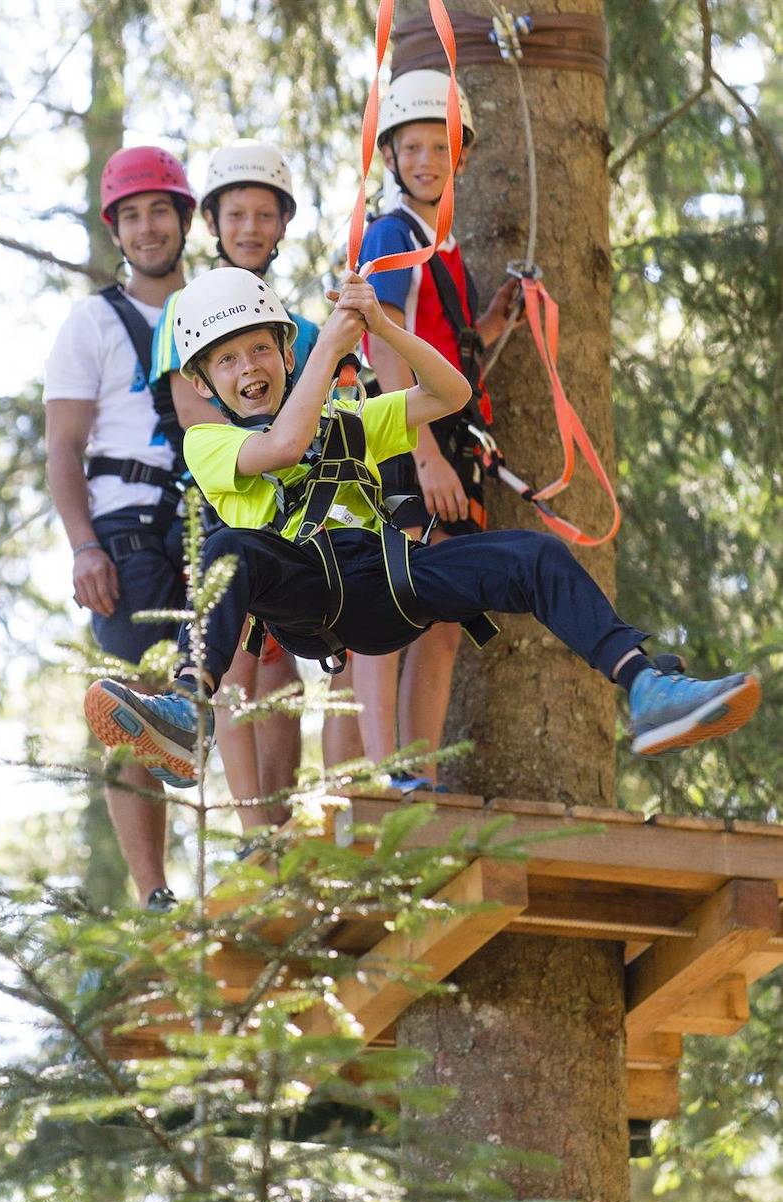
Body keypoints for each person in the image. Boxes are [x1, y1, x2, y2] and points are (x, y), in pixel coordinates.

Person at [82, 267, 761, 791]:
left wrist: (382, 326)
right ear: (204, 382)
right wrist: (334, 351)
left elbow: (449, 395)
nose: (248, 369)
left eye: (260, 350)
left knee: (534, 555)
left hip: (389, 584)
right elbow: (284, 447)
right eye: (226, 362)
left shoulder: (349, 420)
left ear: (284, 355)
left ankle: (644, 684)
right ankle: (186, 709)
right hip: (306, 591)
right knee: (231, 549)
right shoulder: (209, 444)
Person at [151, 140, 359, 832]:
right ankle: (251, 831)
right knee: (237, 664)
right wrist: (270, 451)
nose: (249, 229)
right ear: (212, 222)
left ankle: (292, 824)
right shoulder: (182, 312)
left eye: (263, 215)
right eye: (236, 214)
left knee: (283, 675)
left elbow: (321, 416)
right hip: (224, 501)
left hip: (296, 504)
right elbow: (192, 416)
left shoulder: (293, 325)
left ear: (282, 225)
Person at [354, 69, 523, 792]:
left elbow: (446, 352)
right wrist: (422, 455)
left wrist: (496, 324)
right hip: (408, 443)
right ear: (390, 157)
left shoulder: (443, 248)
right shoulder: (393, 235)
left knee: (444, 613)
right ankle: (385, 765)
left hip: (450, 442)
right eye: (412, 147)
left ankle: (415, 772)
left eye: (440, 147)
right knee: (390, 597)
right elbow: (384, 340)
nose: (426, 161)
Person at [45, 145, 195, 912]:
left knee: (243, 681)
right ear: (116, 230)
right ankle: (154, 892)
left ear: (183, 219)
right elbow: (64, 448)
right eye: (131, 216)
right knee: (133, 706)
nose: (146, 228)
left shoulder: (217, 306)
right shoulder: (92, 324)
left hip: (210, 511)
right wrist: (83, 545)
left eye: (158, 212)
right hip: (127, 524)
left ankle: (268, 852)